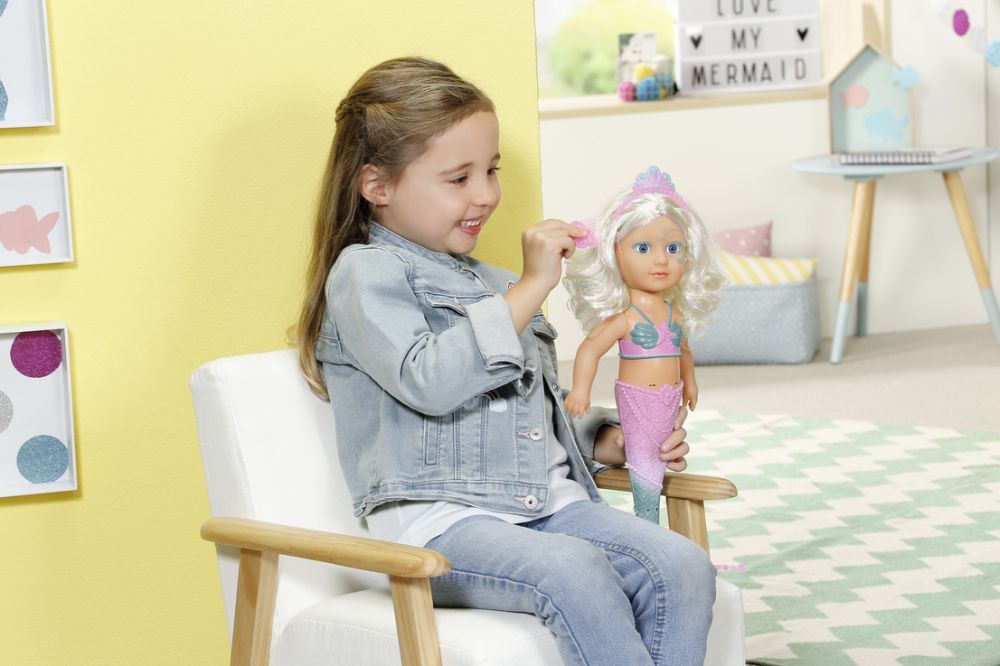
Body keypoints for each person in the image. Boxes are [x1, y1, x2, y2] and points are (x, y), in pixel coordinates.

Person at [296, 57, 716, 666]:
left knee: (680, 564)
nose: (487, 194)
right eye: (458, 178)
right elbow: (430, 379)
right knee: (575, 571)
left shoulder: (493, 283)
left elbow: (526, 408)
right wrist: (531, 287)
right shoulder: (367, 274)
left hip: (545, 505)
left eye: (490, 170)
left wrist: (607, 441)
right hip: (442, 525)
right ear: (377, 186)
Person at [564, 168, 727, 524]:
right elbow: (590, 349)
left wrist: (691, 383)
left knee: (661, 457)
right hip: (637, 400)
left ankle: (650, 526)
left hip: (669, 398)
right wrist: (579, 389)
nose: (661, 260)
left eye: (673, 248)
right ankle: (647, 523)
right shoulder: (625, 317)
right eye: (643, 248)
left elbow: (683, 350)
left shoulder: (674, 314)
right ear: (615, 254)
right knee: (644, 465)